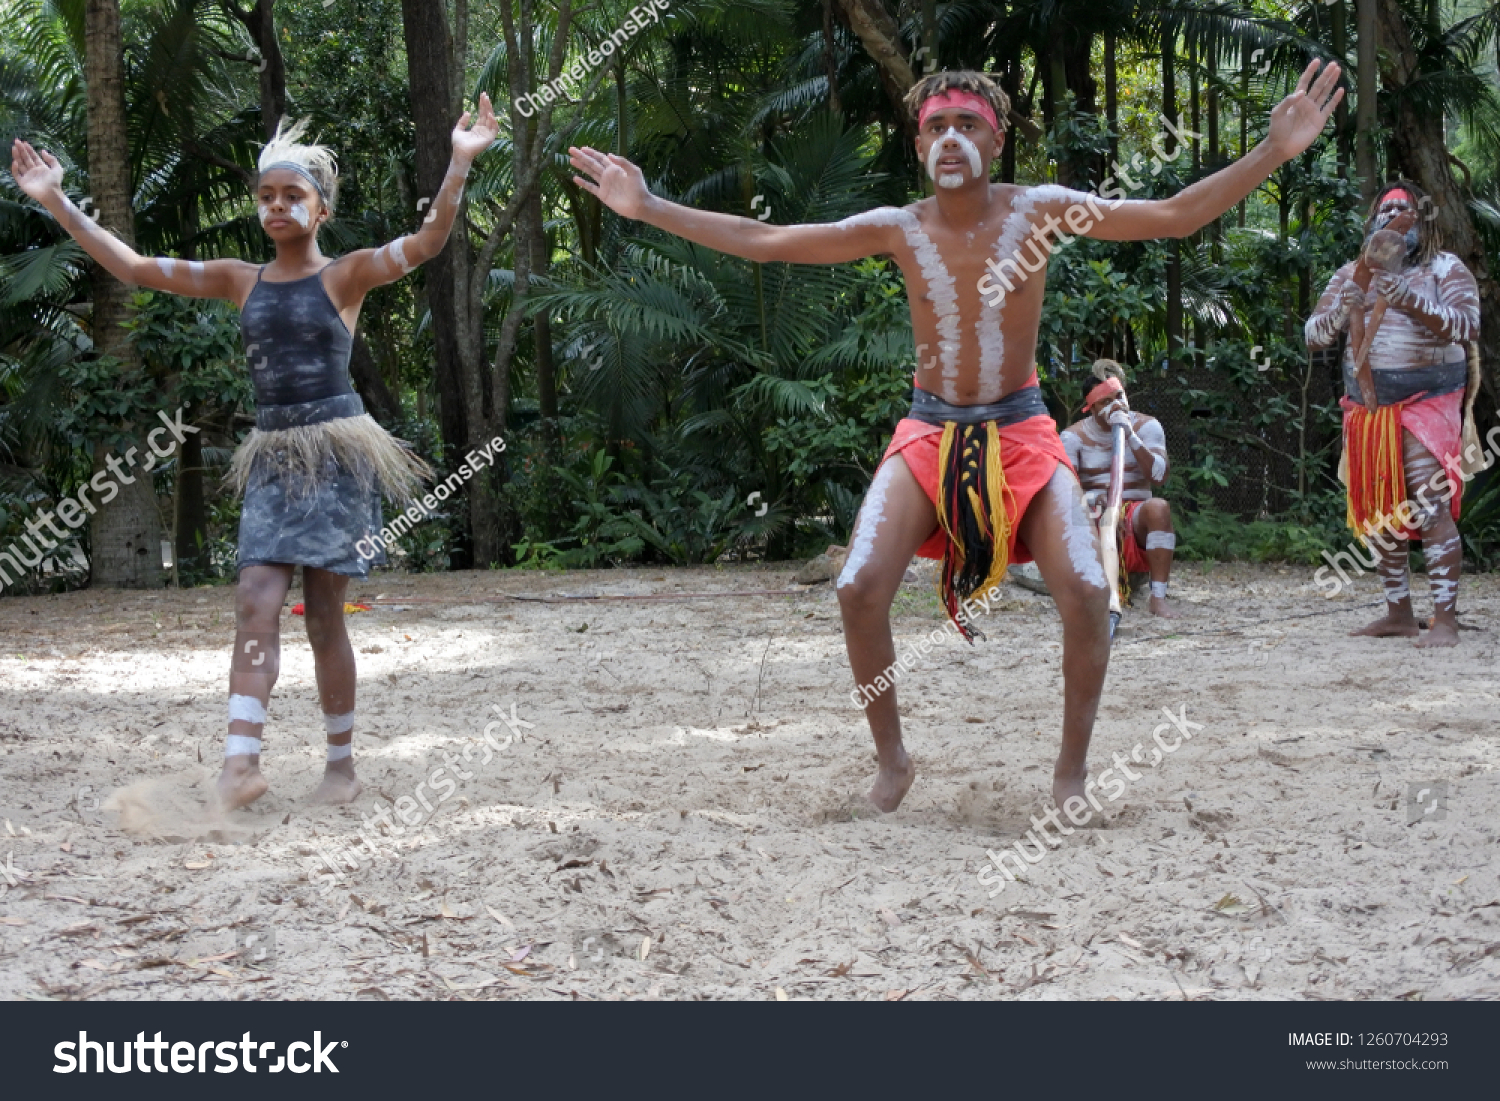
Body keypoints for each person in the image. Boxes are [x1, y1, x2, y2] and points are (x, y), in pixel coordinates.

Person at [568, 63, 1341, 814]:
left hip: (1023, 429)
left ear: (996, 140)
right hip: (930, 430)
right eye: (935, 126)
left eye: (966, 123)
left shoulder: (1039, 209)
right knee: (858, 586)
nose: (949, 137)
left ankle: (1070, 774)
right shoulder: (898, 228)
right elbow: (766, 238)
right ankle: (892, 760)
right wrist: (649, 207)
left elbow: (1173, 216)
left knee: (1088, 590)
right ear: (917, 144)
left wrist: (1274, 150)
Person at [10, 95, 498, 808]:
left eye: (292, 195)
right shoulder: (242, 279)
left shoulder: (348, 275)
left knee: (326, 615)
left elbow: (425, 243)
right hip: (272, 453)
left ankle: (340, 763)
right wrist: (56, 201)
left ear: (320, 208)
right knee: (254, 600)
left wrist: (457, 163)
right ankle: (240, 762)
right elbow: (138, 267)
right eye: (266, 195)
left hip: (336, 450)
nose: (276, 206)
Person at [1306, 180, 1481, 647]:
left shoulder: (1445, 268)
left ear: (1421, 224)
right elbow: (1314, 335)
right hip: (1367, 409)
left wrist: (1411, 300)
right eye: (1386, 212)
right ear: (1372, 223)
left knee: (1429, 505)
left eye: (1404, 212)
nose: (1394, 218)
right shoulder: (1350, 274)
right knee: (1381, 512)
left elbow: (1467, 326)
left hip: (1427, 401)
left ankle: (1444, 620)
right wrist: (1343, 310)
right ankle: (1399, 614)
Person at [1060, 360, 1179, 618]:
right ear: (1090, 409)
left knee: (1159, 507)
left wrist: (1130, 435)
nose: (1116, 405)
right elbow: (1064, 491)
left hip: (1135, 517)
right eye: (1106, 402)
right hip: (1093, 515)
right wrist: (1096, 503)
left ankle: (1158, 598)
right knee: (1079, 512)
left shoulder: (1146, 426)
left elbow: (1159, 476)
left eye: (1119, 396)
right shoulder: (1073, 437)